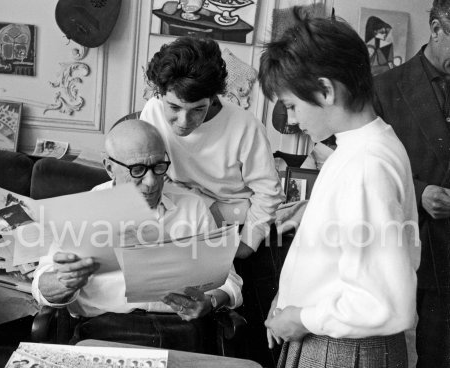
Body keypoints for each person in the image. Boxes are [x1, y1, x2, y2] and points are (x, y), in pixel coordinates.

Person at [258, 7, 420, 368]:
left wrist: (301, 318)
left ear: (325, 90)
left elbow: (383, 301)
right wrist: (288, 298)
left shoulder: (366, 164)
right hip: (331, 339)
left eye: (292, 106)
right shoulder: (358, 148)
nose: (294, 120)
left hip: (342, 349)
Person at [31, 119, 242, 351]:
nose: (151, 182)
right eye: (137, 170)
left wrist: (211, 301)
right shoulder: (80, 211)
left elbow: (229, 280)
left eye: (159, 167)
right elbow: (42, 286)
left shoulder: (193, 207)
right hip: (105, 332)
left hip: (182, 332)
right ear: (109, 167)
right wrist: (62, 282)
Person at [140, 36, 284, 260]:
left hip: (231, 224)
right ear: (159, 94)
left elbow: (268, 193)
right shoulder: (152, 111)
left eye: (198, 109)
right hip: (179, 215)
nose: (184, 121)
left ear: (215, 98)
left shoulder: (246, 126)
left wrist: (247, 244)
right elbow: (151, 172)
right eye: (174, 107)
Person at [373, 1, 450, 366]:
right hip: (403, 242)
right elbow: (368, 166)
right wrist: (421, 192)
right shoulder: (383, 89)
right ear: (436, 29)